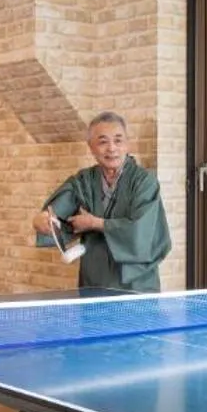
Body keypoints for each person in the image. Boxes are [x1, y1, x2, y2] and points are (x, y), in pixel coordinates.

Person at [31, 112, 171, 292]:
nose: (112, 148)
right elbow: (57, 210)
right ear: (91, 147)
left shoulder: (144, 182)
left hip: (135, 283)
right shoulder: (84, 180)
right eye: (103, 142)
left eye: (118, 140)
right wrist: (41, 220)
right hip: (94, 279)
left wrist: (95, 223)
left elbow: (141, 231)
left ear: (127, 144)